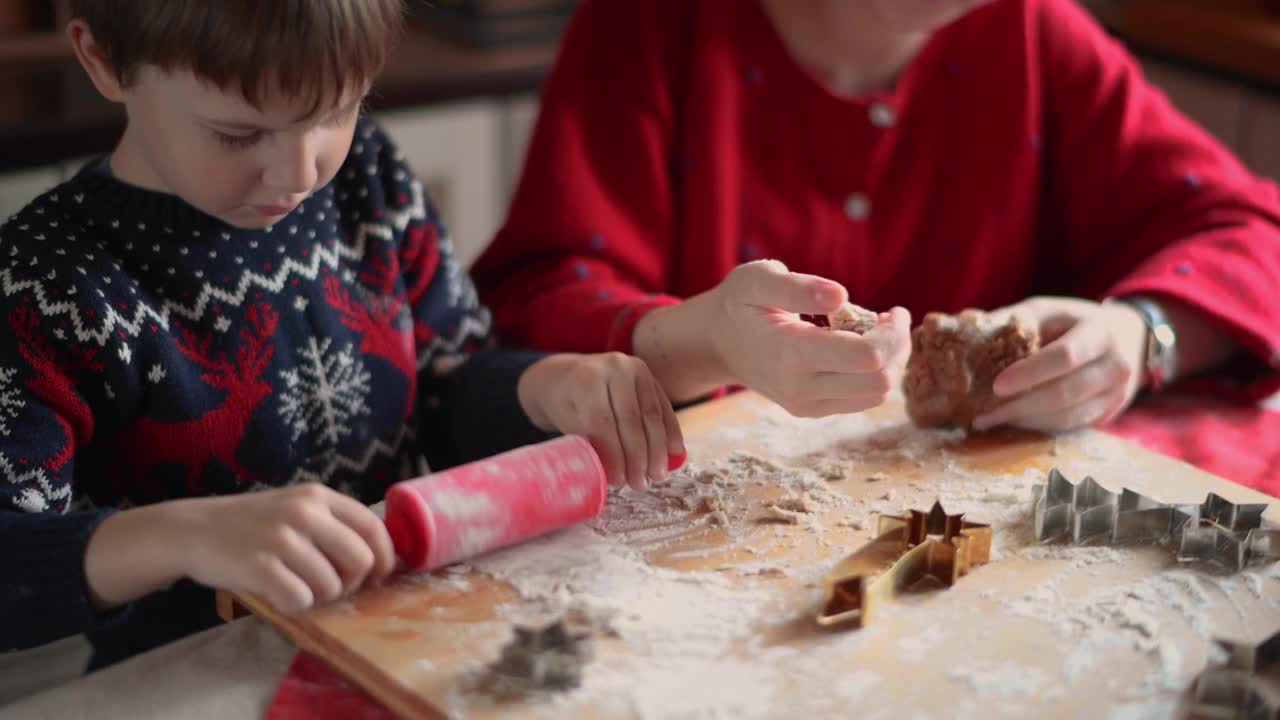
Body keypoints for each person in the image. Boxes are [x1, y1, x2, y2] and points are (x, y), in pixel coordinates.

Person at [0, 0, 683, 668]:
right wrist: (182, 534)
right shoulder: (46, 282)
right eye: (238, 134)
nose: (300, 175)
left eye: (334, 112)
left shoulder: (367, 180)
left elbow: (444, 390)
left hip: (402, 644)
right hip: (195, 676)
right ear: (105, 60)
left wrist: (542, 386)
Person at [472, 0, 1280, 491]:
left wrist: (1146, 335)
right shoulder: (650, 27)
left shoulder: (1034, 35)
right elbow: (529, 307)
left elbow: (1251, 234)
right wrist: (706, 343)